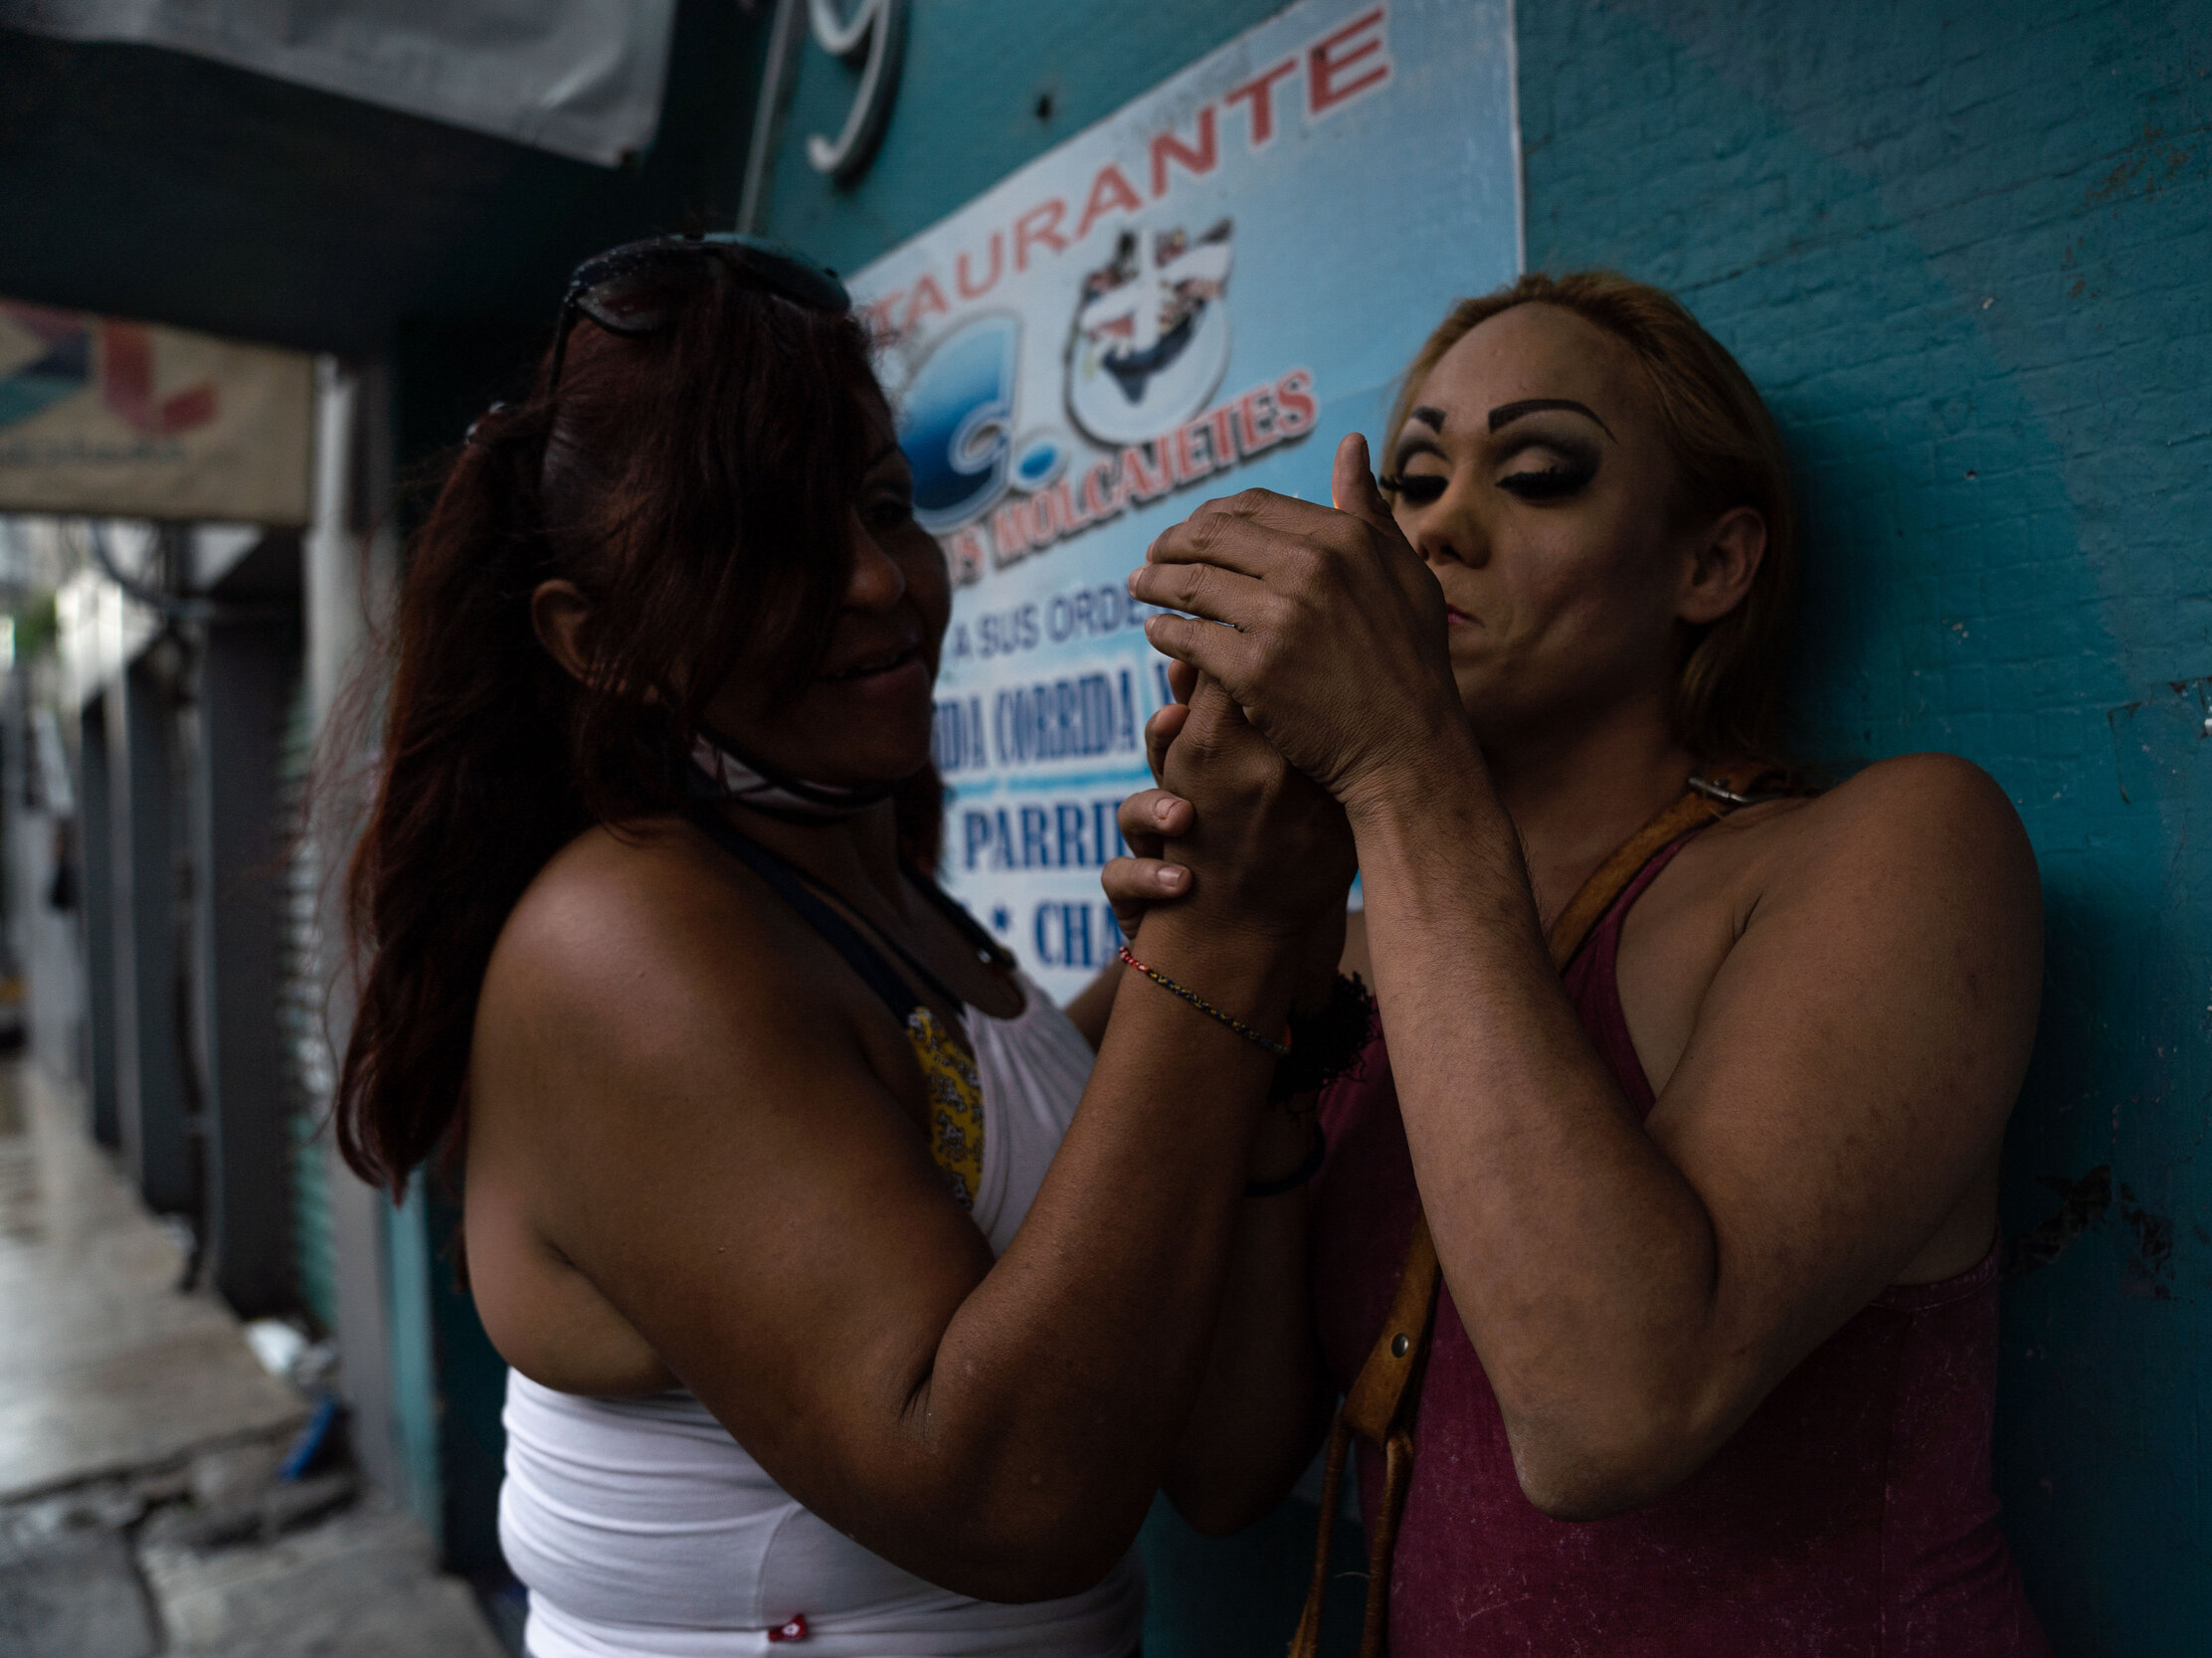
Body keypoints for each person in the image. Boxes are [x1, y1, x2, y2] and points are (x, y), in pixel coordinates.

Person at [333, 234, 1354, 1658]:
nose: (875, 583)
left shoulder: (882, 909)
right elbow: (1002, 1498)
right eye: (758, 545)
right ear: (594, 639)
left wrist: (1267, 942)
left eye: (884, 505)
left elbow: (1226, 1466)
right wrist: (1226, 940)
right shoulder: (622, 942)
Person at [1108, 272, 2052, 1653]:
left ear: (1711, 566)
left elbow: (1611, 1417)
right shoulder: (1359, 949)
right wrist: (1244, 945)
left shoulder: (1892, 852)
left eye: (1539, 473)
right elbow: (1226, 1469)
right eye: (1415, 480)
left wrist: (1396, 764)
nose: (1438, 529)